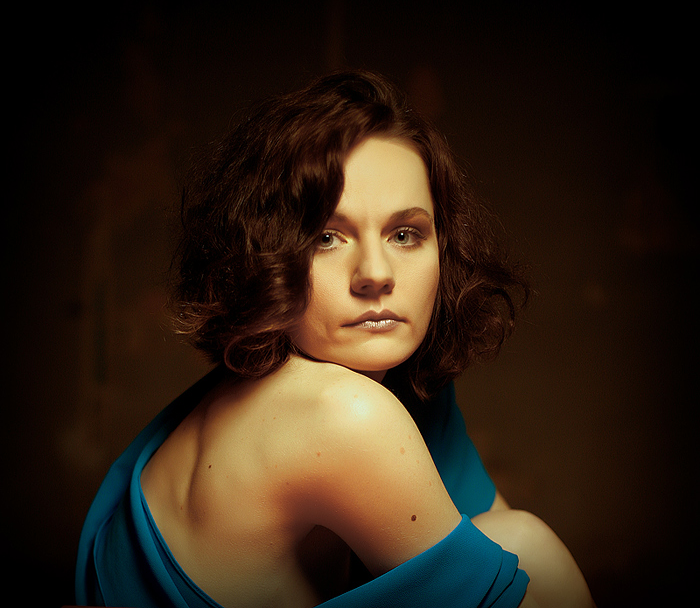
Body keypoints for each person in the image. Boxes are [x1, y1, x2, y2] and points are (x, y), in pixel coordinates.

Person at [75, 70, 596, 607]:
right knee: (527, 543)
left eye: (405, 234)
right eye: (326, 237)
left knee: (519, 542)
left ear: (443, 246)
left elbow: (494, 542)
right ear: (266, 255)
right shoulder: (345, 412)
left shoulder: (397, 382)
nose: (375, 273)